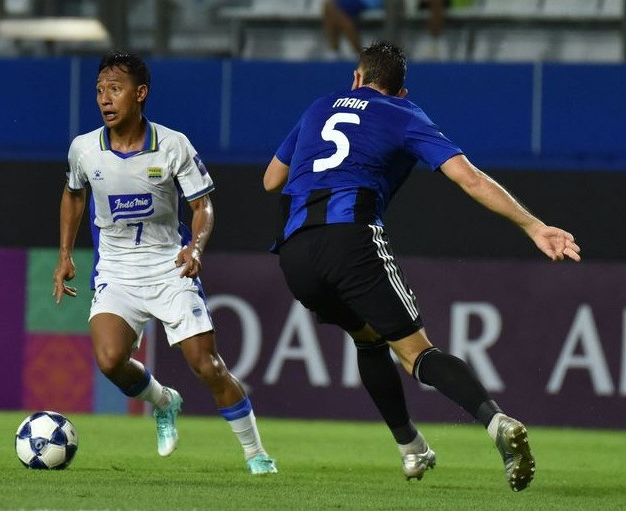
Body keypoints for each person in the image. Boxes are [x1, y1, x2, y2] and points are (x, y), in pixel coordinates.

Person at [263, 41, 580, 491]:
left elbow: (271, 179)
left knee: (366, 338)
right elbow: (467, 176)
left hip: (294, 254)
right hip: (350, 237)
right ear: (401, 91)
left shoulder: (319, 107)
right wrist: (534, 226)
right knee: (417, 354)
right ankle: (497, 424)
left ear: (356, 77)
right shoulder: (404, 114)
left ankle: (410, 447)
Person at [53, 51, 277, 475]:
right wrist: (65, 255)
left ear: (140, 94)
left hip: (167, 267)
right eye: (100, 90)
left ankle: (255, 453)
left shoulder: (173, 145)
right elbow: (73, 194)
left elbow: (203, 207)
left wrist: (195, 248)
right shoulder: (84, 148)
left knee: (206, 366)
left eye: (115, 89)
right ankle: (163, 401)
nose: (105, 98)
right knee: (109, 360)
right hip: (117, 272)